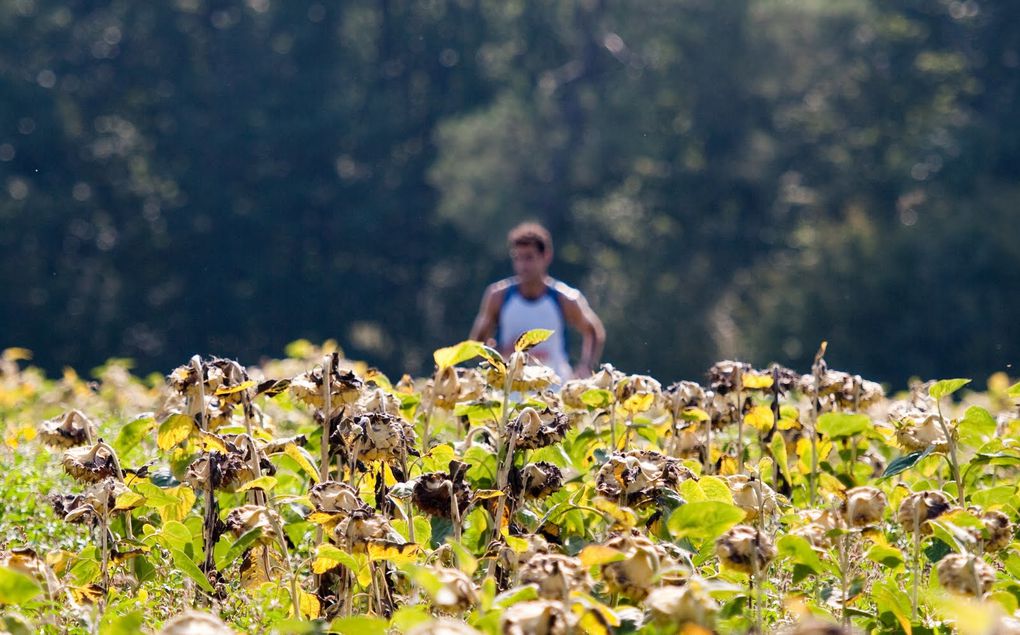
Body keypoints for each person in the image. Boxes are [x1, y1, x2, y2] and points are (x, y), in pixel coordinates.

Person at [469, 222, 605, 380]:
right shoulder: (498, 296)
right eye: (518, 258)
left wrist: (585, 366)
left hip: (554, 390)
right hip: (511, 391)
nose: (522, 266)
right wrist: (500, 354)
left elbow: (593, 331)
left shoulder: (564, 298)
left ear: (546, 256)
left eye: (529, 258)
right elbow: (476, 344)